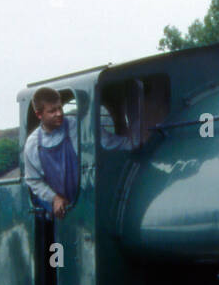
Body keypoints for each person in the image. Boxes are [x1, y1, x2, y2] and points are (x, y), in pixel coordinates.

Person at [23, 87, 136, 219]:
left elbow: (108, 142)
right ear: (39, 115)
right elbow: (33, 180)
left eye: (60, 108)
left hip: (86, 202)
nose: (59, 113)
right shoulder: (32, 144)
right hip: (60, 212)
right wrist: (54, 198)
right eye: (52, 111)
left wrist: (135, 143)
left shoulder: (78, 126)